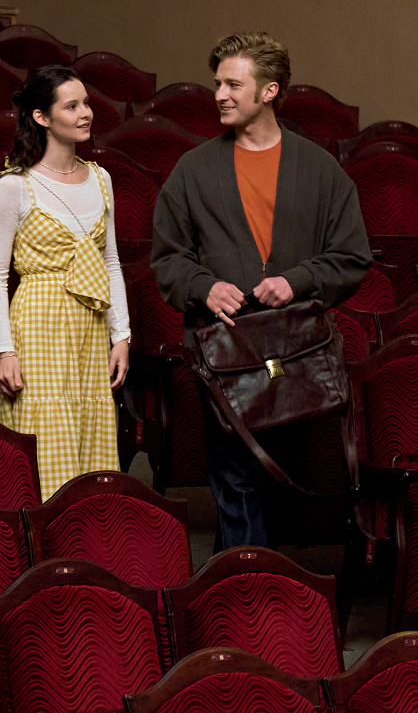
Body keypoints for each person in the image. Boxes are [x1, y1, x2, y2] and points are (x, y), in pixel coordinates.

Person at [151, 32, 370, 548]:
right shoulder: (193, 171)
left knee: (281, 480)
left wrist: (296, 280)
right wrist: (204, 287)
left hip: (296, 352)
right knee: (236, 479)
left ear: (269, 91)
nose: (220, 95)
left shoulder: (320, 170)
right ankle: (247, 586)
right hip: (225, 351)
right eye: (218, 84)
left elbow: (352, 256)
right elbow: (167, 258)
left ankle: (258, 585)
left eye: (233, 84)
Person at [0, 65, 132, 498]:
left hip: (90, 323)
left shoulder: (101, 179)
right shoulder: (14, 185)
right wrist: (4, 351)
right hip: (39, 321)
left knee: (89, 428)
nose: (85, 113)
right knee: (46, 431)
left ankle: (86, 530)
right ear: (42, 117)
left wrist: (121, 336)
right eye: (72, 106)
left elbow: (111, 262)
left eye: (86, 103)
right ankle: (44, 535)